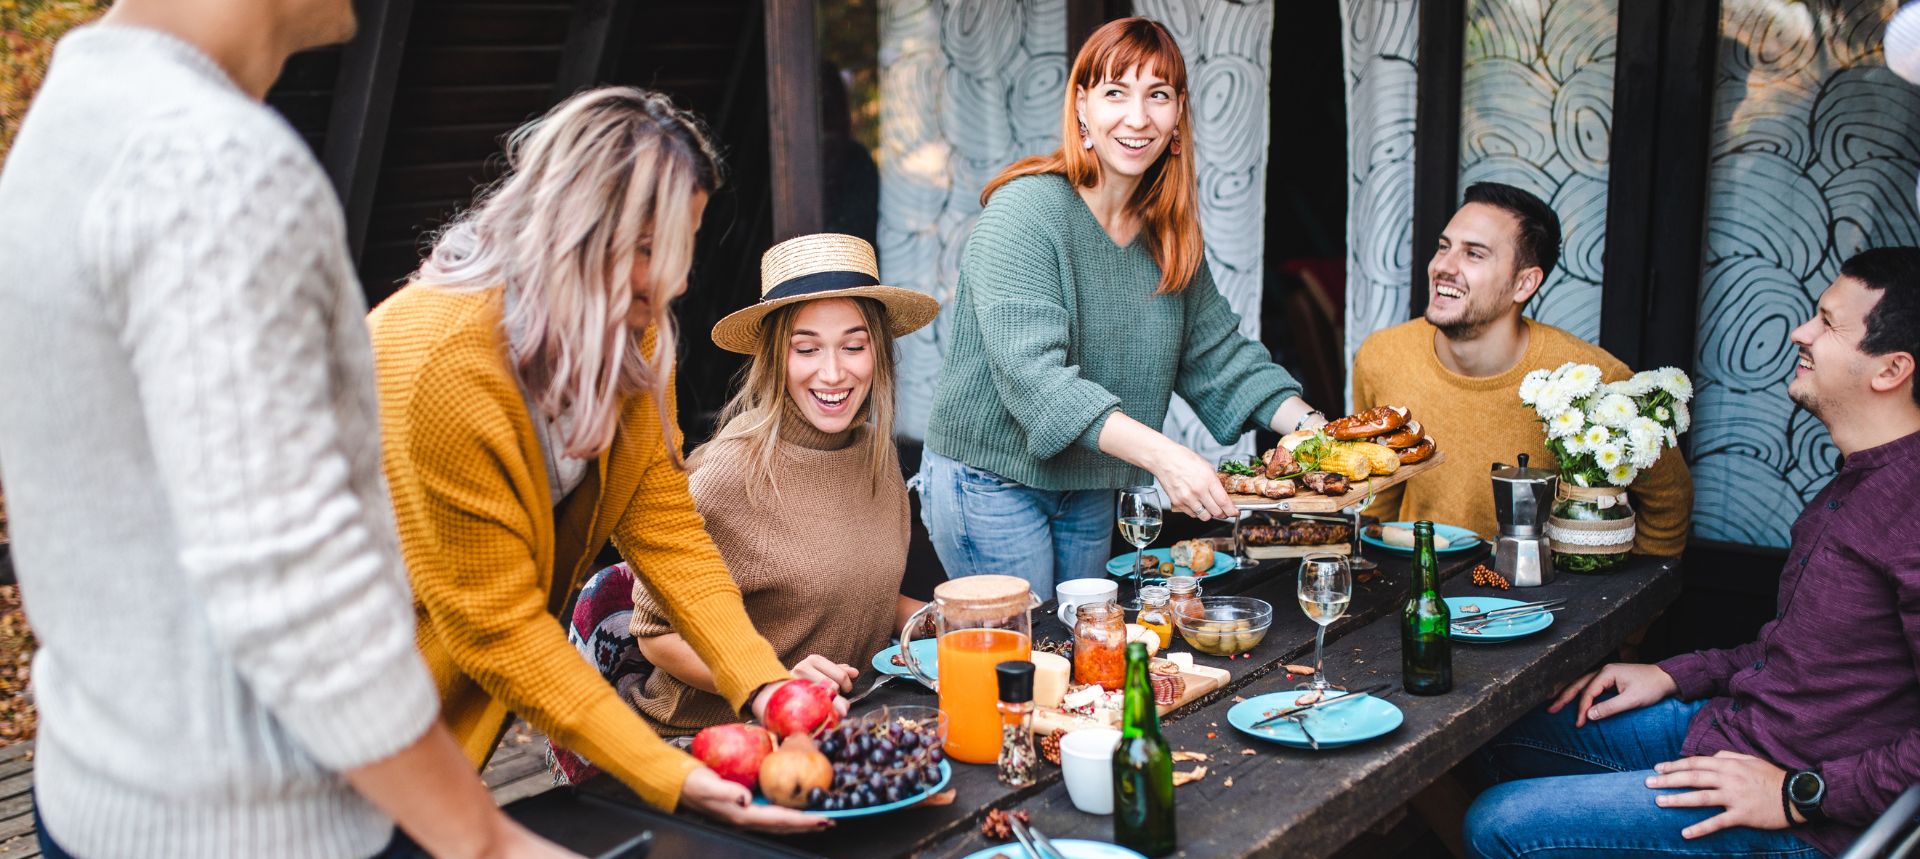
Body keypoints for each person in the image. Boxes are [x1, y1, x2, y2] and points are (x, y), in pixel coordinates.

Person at [0, 2, 617, 859]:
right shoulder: (218, 167)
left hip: (111, 820)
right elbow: (289, 586)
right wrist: (483, 849)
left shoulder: (84, 103)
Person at [1414, 247, 1920, 859]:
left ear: (1890, 368)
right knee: (1507, 728)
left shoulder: (1909, 504)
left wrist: (1801, 793)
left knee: (1500, 830)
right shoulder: (1862, 480)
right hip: (1737, 737)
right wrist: (1670, 671)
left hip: (1803, 825)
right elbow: (1802, 651)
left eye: (1826, 323)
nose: (1799, 332)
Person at [367, 88, 827, 833]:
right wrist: (667, 773)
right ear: (572, 228)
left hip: (433, 741)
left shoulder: (631, 334)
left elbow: (665, 526)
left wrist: (763, 686)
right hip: (321, 731)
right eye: (651, 251)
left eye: (683, 249)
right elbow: (500, 628)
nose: (675, 282)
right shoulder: (443, 362)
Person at [919, 16, 1327, 597]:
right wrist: (1168, 459)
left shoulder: (1168, 235)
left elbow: (1222, 359)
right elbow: (1038, 383)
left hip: (1088, 482)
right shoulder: (1025, 214)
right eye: (1116, 92)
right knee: (1026, 666)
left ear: (1178, 112)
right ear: (1082, 106)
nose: (1138, 118)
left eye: (1157, 95)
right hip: (989, 481)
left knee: (1087, 654)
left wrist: (1324, 439)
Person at [626, 234, 935, 731]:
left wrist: (941, 620)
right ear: (775, 358)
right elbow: (655, 636)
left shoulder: (875, 456)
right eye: (806, 349)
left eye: (853, 346)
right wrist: (775, 683)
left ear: (877, 354)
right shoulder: (728, 473)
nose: (832, 373)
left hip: (840, 723)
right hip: (716, 739)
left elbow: (850, 584)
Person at [1350, 182, 1691, 553]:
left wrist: (1621, 597)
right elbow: (1378, 491)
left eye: (1474, 254)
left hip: (1538, 602)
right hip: (1421, 587)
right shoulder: (1383, 354)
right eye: (1444, 246)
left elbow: (1670, 501)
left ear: (1524, 283)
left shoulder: (1593, 380)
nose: (1443, 266)